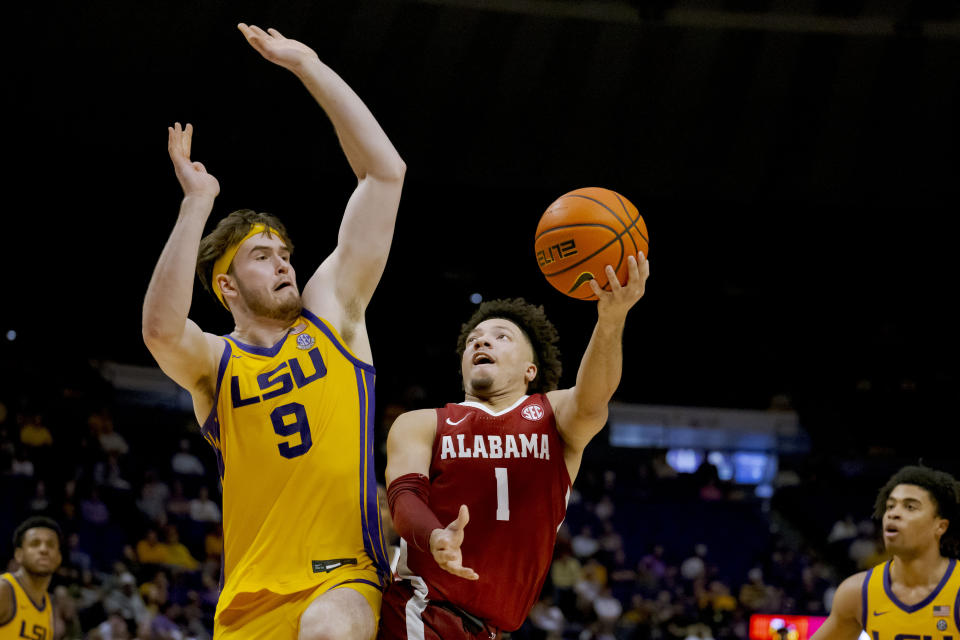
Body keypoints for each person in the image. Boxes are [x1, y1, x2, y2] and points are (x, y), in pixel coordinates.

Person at [141, 22, 405, 640]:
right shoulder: (215, 362)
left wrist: (308, 65)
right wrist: (195, 204)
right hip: (247, 601)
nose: (283, 260)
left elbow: (384, 174)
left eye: (283, 251)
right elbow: (159, 331)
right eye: (262, 256)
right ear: (227, 286)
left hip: (345, 577)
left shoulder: (332, 315)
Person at [378, 253, 649, 639]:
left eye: (501, 336)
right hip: (420, 608)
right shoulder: (422, 423)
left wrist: (611, 320)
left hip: (487, 629)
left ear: (530, 369)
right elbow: (404, 498)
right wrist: (434, 536)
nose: (482, 340)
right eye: (473, 340)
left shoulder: (553, 415)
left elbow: (593, 399)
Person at [811, 465, 960, 640]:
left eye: (910, 507)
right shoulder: (857, 593)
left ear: (940, 526)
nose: (893, 514)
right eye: (890, 506)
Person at [0, 516, 62, 639]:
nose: (44, 549)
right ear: (19, 555)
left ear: (59, 557)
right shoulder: (4, 589)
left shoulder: (48, 606)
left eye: (51, 545)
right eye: (35, 544)